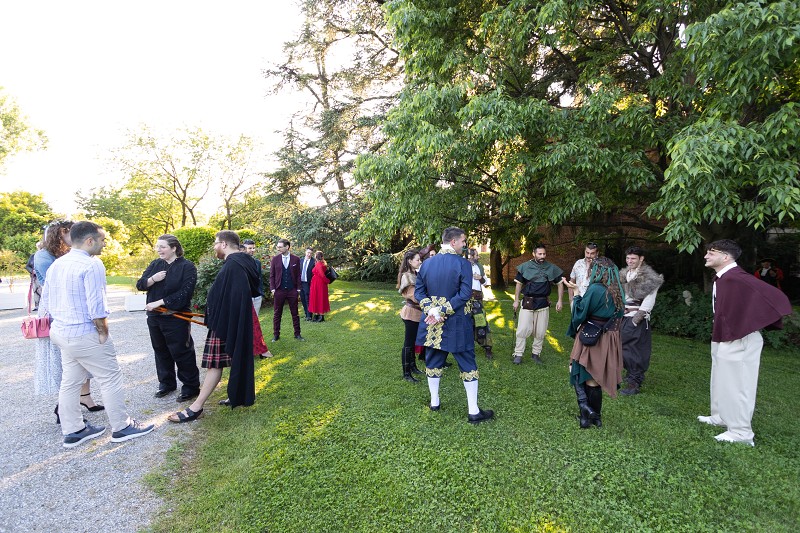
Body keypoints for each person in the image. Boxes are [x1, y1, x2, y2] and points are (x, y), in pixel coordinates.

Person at [40, 221, 154, 447]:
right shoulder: (92, 264)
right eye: (102, 240)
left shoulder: (57, 264)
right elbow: (97, 305)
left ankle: (74, 430)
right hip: (84, 333)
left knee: (70, 381)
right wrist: (103, 333)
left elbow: (46, 301)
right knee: (110, 378)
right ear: (89, 240)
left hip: (61, 332)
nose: (105, 244)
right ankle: (122, 427)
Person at [698, 240, 792, 446]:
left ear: (725, 257)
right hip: (725, 335)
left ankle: (741, 433)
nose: (706, 256)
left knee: (738, 384)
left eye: (711, 253)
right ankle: (721, 417)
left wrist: (751, 322)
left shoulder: (737, 277)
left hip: (740, 337)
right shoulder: (724, 278)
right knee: (721, 378)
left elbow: (776, 297)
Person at [168, 230, 260, 422]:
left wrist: (220, 319)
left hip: (225, 323)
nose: (214, 247)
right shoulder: (240, 263)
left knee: (214, 364)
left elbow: (235, 297)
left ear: (224, 244)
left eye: (216, 243)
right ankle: (237, 395)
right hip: (228, 322)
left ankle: (196, 407)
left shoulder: (234, 265)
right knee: (228, 361)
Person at [416, 227, 494, 424]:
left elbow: (419, 292)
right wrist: (441, 311)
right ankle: (473, 411)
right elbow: (465, 294)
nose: (464, 244)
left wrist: (432, 310)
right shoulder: (463, 264)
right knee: (467, 362)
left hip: (433, 323)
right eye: (463, 241)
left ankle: (434, 402)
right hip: (458, 320)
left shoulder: (427, 264)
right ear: (453, 242)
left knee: (434, 359)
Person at [34, 220, 103, 422]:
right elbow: (54, 288)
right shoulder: (44, 256)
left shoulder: (69, 254)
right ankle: (63, 408)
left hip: (74, 314)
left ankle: (85, 398)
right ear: (62, 232)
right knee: (65, 366)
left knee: (79, 363)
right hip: (59, 316)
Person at [136, 234, 201, 401]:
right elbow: (140, 284)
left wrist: (159, 302)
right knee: (160, 350)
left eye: (162, 247)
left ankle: (191, 386)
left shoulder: (187, 267)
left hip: (176, 317)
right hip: (154, 316)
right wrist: (153, 279)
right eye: (157, 247)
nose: (159, 250)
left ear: (174, 248)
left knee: (182, 351)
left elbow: (185, 293)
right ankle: (166, 383)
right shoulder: (155, 264)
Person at [566, 256, 625, 429]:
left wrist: (577, 293)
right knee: (594, 378)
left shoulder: (596, 289)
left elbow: (579, 313)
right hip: (609, 338)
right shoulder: (619, 291)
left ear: (597, 272)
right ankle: (594, 418)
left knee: (577, 369)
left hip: (592, 335)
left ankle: (586, 411)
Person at [618, 246, 664, 396]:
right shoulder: (624, 274)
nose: (630, 261)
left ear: (641, 259)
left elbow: (648, 302)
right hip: (622, 316)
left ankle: (634, 382)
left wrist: (635, 320)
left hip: (636, 318)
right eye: (628, 258)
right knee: (622, 347)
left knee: (635, 351)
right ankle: (630, 374)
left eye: (633, 258)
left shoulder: (650, 278)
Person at [511, 244, 565, 364]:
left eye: (544, 254)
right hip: (528, 302)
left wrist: (560, 300)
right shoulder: (525, 267)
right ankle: (518, 354)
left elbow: (560, 283)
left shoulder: (551, 267)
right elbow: (519, 284)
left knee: (540, 331)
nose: (542, 256)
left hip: (543, 303)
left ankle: (536, 354)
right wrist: (516, 300)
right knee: (523, 329)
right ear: (534, 254)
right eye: (539, 254)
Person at [397, 249, 425, 382]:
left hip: (417, 313)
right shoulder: (407, 276)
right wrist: (428, 301)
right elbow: (414, 296)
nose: (420, 261)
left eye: (420, 259)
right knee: (408, 343)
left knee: (413, 342)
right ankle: (406, 373)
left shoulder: (415, 274)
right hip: (411, 313)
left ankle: (413, 367)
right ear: (409, 261)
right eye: (417, 260)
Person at [269, 239, 304, 341]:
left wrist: (298, 289)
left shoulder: (296, 259)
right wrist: (273, 289)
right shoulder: (275, 259)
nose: (278, 248)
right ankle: (276, 334)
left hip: (292, 290)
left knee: (295, 313)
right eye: (278, 247)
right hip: (279, 290)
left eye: (280, 247)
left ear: (287, 247)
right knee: (277, 314)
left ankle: (297, 334)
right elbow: (272, 275)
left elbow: (298, 275)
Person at [241, 239, 272, 358]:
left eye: (253, 248)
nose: (252, 250)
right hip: (245, 298)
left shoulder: (257, 262)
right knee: (246, 324)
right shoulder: (239, 263)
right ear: (244, 248)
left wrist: (260, 292)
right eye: (250, 248)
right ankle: (248, 349)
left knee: (255, 324)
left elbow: (259, 279)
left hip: (257, 297)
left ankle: (257, 348)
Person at [467, 248, 493, 359]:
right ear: (471, 256)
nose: (478, 257)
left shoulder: (479, 266)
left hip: (477, 299)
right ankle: (467, 347)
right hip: (465, 299)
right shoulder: (462, 266)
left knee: (481, 322)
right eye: (476, 255)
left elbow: (486, 283)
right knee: (466, 323)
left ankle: (487, 347)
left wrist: (480, 278)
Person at [568, 242, 599, 310]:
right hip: (578, 301)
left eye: (592, 253)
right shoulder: (578, 263)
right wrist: (571, 300)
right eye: (587, 252)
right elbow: (571, 282)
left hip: (593, 303)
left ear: (597, 253)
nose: (589, 255)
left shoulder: (600, 266)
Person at [308, 251, 331, 322]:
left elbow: (322, 275)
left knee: (319, 298)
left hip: (318, 283)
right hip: (319, 283)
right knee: (319, 298)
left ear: (316, 257)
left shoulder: (318, 264)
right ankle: (318, 315)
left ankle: (320, 316)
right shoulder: (322, 263)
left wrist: (327, 281)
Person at [25, 241, 43, 311]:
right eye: (38, 247)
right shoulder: (33, 256)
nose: (39, 248)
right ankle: (37, 305)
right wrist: (32, 271)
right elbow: (27, 266)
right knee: (35, 290)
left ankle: (43, 305)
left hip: (41, 276)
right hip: (34, 277)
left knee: (42, 290)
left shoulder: (45, 256)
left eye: (40, 247)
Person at [300, 247, 316, 321]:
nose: (309, 254)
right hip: (301, 282)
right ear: (305, 252)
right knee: (302, 298)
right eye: (308, 252)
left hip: (308, 283)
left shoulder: (314, 262)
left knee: (308, 299)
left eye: (310, 253)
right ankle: (306, 314)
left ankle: (309, 315)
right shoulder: (301, 260)